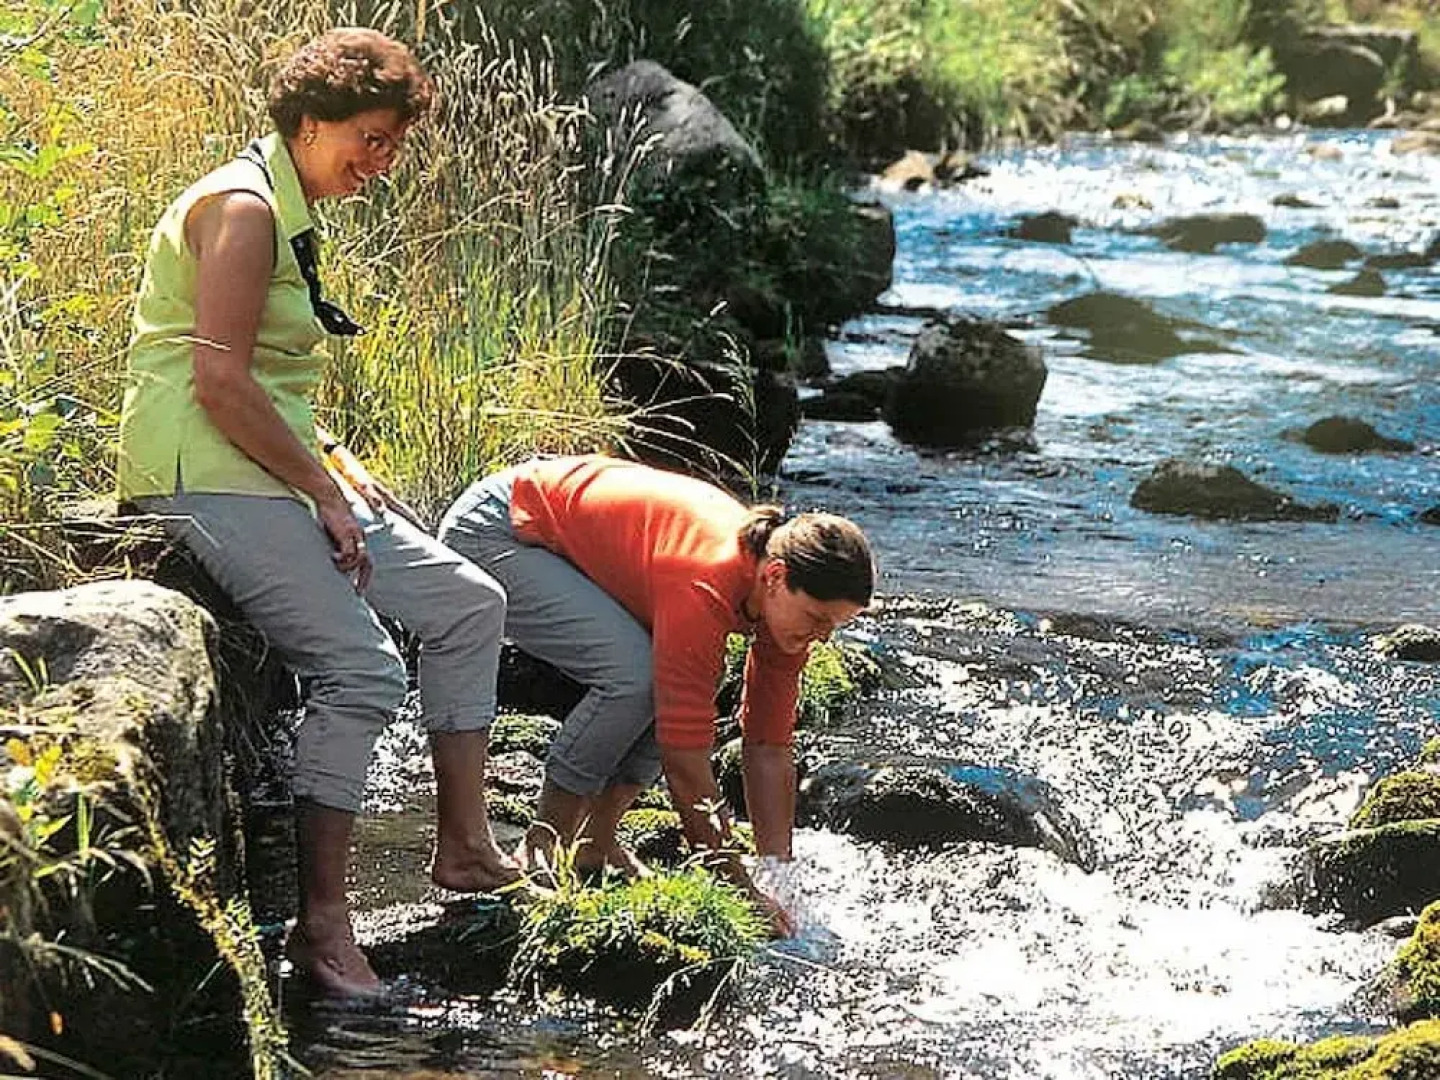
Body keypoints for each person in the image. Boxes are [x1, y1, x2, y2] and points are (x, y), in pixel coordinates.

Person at [116, 28, 517, 998]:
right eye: (370, 140)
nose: (382, 163)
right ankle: (323, 927)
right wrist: (325, 493)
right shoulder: (245, 209)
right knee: (361, 670)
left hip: (268, 465)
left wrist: (336, 463)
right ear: (307, 123)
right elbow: (218, 383)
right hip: (201, 471)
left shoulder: (287, 208)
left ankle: (464, 847)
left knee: (469, 603)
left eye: (393, 145)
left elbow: (268, 381)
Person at [437, 454, 875, 934]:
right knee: (636, 678)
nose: (823, 637)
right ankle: (545, 844)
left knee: (671, 682)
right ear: (774, 576)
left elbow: (768, 746)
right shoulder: (707, 579)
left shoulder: (782, 608)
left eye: (834, 626)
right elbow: (684, 760)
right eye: (817, 619)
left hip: (564, 539)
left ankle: (595, 842)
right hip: (502, 528)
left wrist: (778, 875)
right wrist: (737, 886)